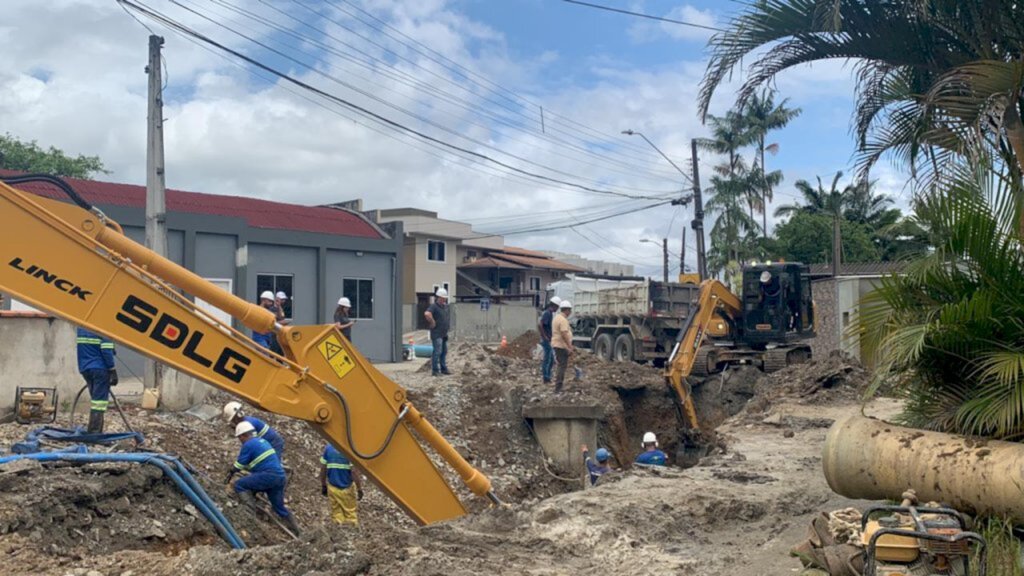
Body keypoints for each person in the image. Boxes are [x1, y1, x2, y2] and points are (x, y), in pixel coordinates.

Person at [225, 420, 300, 535]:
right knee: (279, 507)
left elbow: (239, 464)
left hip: (269, 476)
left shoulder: (248, 444)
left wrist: (231, 471)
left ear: (243, 435)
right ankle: (297, 531)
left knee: (240, 485)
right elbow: (258, 462)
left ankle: (249, 514)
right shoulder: (263, 441)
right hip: (280, 477)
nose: (240, 441)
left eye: (240, 438)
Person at [76, 327, 118, 433]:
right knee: (99, 402)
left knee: (95, 400)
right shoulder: (104, 328)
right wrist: (112, 369)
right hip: (100, 369)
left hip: (85, 368)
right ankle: (94, 431)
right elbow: (106, 351)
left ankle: (95, 430)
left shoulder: (81, 328)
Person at [320, 443, 364, 526]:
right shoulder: (349, 450)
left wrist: (323, 485)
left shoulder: (328, 448)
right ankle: (351, 534)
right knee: (350, 514)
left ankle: (339, 533)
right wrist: (359, 488)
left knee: (336, 514)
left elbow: (323, 469)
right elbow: (353, 472)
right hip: (347, 489)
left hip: (332, 488)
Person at [424, 288, 451, 377]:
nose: (444, 299)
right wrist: (432, 322)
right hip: (437, 333)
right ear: (439, 297)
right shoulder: (434, 306)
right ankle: (435, 370)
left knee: (444, 351)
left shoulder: (445, 307)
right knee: (437, 351)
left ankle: (443, 368)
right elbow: (427, 313)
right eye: (443, 298)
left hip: (443, 333)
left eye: (445, 298)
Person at [550, 300, 574, 392]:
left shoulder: (557, 317)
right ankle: (558, 387)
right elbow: (564, 333)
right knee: (562, 366)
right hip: (561, 346)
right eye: (570, 310)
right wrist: (569, 346)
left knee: (560, 365)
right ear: (567, 310)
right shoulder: (563, 320)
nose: (570, 312)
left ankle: (558, 386)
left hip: (557, 345)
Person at [538, 296, 561, 384]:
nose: (557, 309)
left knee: (550, 359)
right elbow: (540, 325)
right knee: (548, 359)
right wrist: (545, 336)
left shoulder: (549, 313)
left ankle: (548, 377)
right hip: (546, 340)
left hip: (548, 339)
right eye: (557, 307)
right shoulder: (547, 313)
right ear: (554, 305)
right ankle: (546, 378)